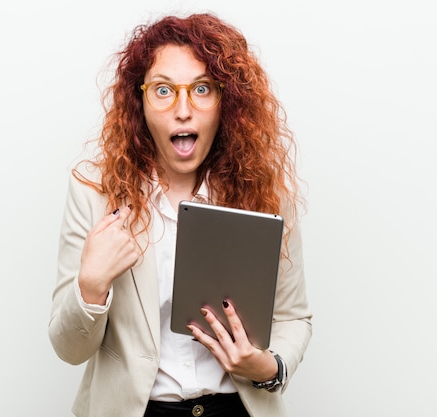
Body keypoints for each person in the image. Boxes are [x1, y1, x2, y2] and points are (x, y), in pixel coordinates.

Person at [48, 12, 312, 417]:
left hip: (236, 407)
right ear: (139, 101)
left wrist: (268, 368)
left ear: (228, 102)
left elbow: (294, 317)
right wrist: (91, 286)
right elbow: (69, 349)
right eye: (164, 90)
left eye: (202, 89)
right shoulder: (94, 193)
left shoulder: (264, 194)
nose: (183, 110)